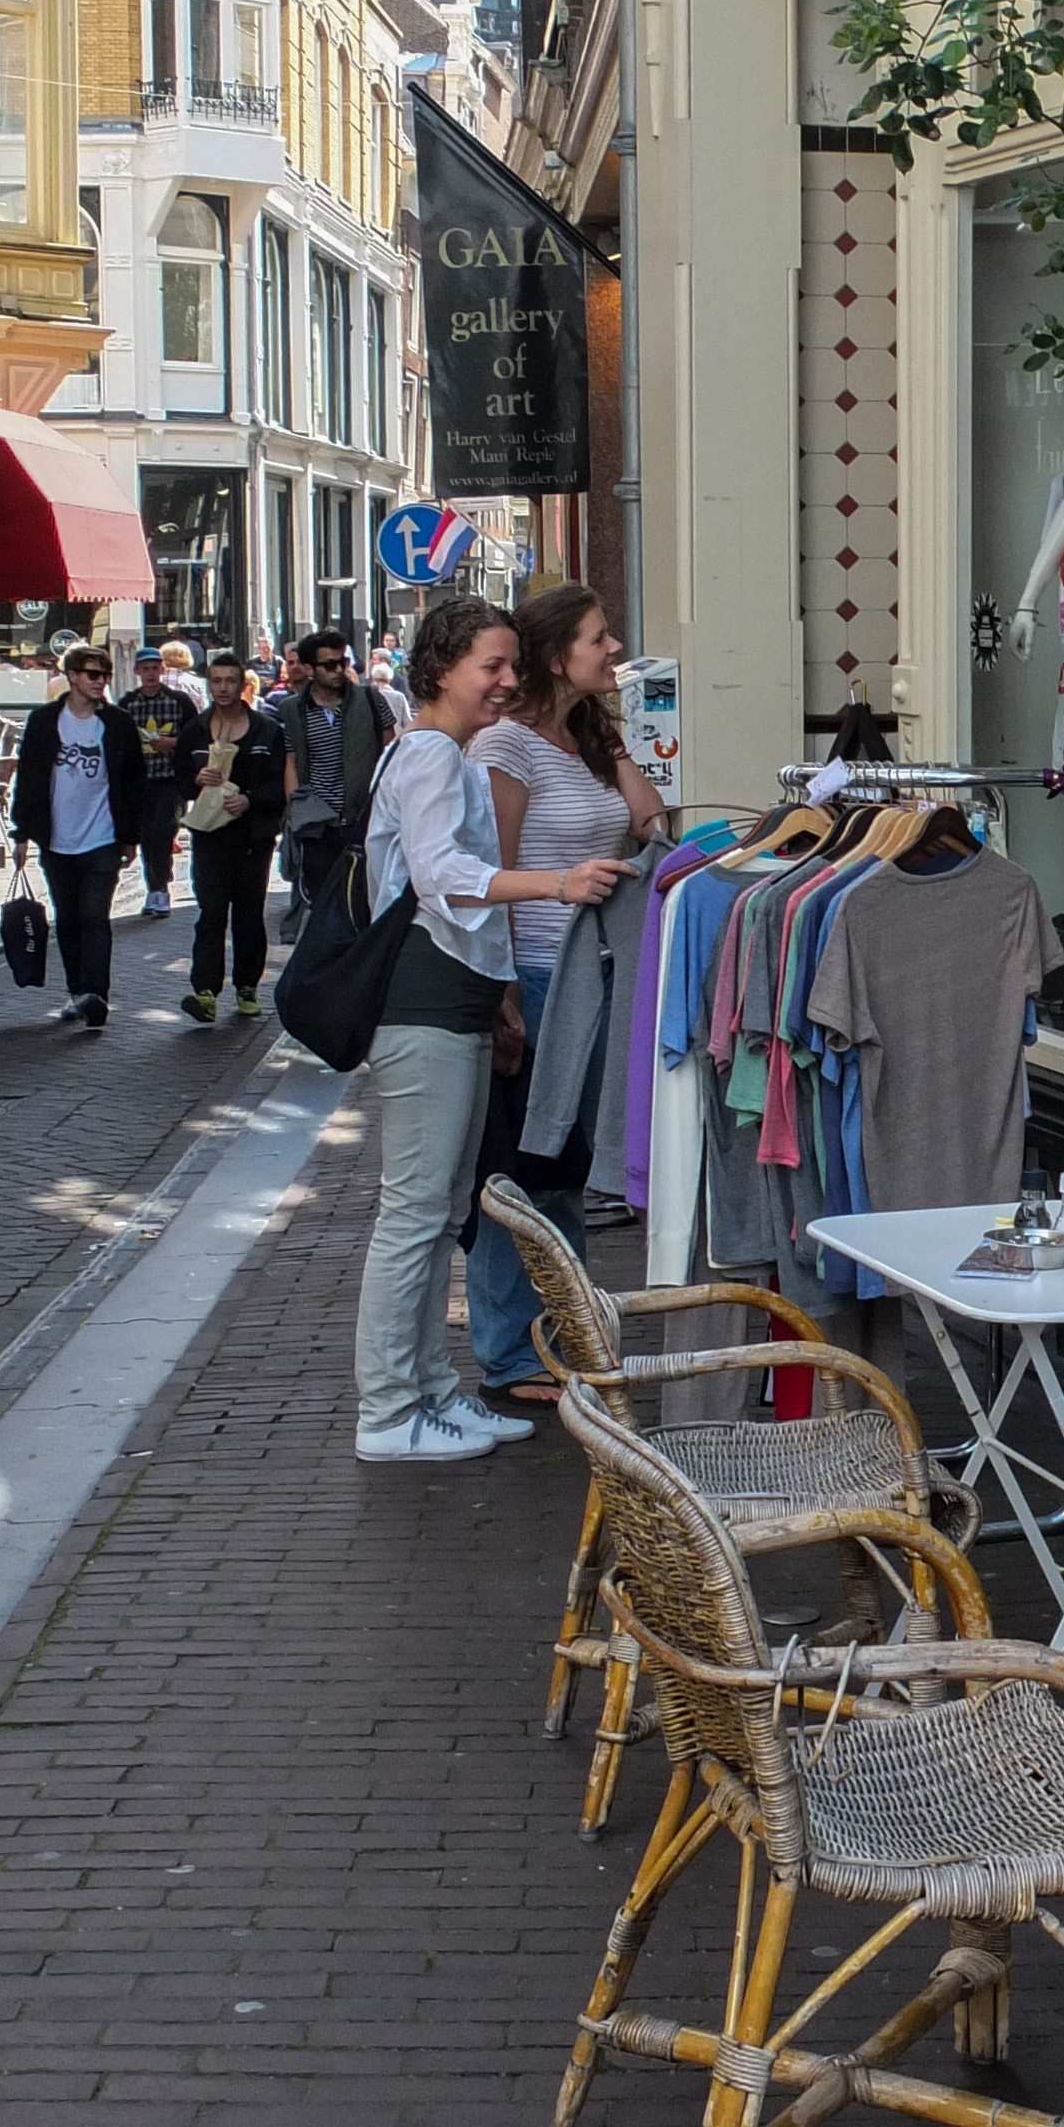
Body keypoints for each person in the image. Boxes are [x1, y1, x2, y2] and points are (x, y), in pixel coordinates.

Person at [351, 591, 628, 1466]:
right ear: (442, 670)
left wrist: (500, 994)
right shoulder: (431, 753)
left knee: (439, 1211)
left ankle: (432, 1394)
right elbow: (441, 874)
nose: (507, 681)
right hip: (425, 1005)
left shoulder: (446, 753)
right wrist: (555, 884)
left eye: (512, 664)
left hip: (455, 1003)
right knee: (416, 1211)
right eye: (491, 666)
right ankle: (389, 1410)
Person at [464, 580, 667, 1397]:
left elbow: (651, 822)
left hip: (598, 975)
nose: (614, 649)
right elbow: (490, 875)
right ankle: (512, 1352)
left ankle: (567, 1338)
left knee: (567, 1167)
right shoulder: (504, 748)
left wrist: (610, 740)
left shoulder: (584, 737)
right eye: (598, 638)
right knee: (525, 1168)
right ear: (556, 657)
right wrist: (503, 995)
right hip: (539, 974)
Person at [7, 644, 145, 1031]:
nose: (101, 682)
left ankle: (96, 995)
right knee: (67, 919)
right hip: (56, 840)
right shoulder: (44, 721)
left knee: (94, 916)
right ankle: (77, 992)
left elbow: (133, 781)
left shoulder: (117, 723)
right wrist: (22, 834)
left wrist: (130, 836)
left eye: (105, 675)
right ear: (71, 677)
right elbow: (29, 779)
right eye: (92, 674)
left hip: (102, 838)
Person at [176, 653, 288, 1024]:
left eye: (229, 681)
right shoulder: (195, 730)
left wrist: (250, 800)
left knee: (248, 913)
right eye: (216, 681)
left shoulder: (267, 730)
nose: (223, 688)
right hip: (209, 835)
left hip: (252, 837)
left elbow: (280, 783)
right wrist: (196, 781)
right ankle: (205, 991)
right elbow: (178, 781)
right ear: (208, 684)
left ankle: (247, 986)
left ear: (242, 685)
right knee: (210, 912)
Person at [277, 630, 394, 932]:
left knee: (365, 903)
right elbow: (292, 761)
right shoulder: (293, 710)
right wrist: (296, 810)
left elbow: (392, 753)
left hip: (364, 820)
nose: (339, 670)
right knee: (323, 906)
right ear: (309, 669)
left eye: (343, 662)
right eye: (329, 665)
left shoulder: (370, 699)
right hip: (318, 824)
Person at [121, 645, 192, 916]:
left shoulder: (179, 701)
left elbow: (195, 737)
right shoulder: (127, 704)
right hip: (139, 780)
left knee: (162, 830)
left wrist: (172, 743)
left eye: (155, 668)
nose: (151, 674)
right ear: (137, 671)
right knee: (146, 833)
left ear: (162, 670)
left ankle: (159, 888)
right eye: (145, 669)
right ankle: (155, 886)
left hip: (169, 778)